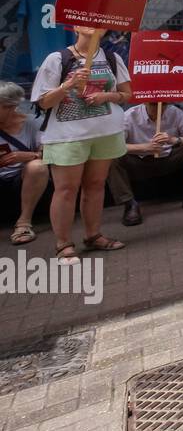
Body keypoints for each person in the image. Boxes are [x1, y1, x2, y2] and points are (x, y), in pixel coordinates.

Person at [30, 26, 131, 261]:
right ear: (75, 26)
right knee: (66, 190)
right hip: (68, 135)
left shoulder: (112, 58)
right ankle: (63, 244)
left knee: (96, 185)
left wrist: (107, 96)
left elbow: (127, 94)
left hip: (105, 132)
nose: (93, 25)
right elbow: (43, 102)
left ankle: (93, 235)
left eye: (99, 22)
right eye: (85, 20)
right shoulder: (57, 59)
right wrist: (67, 85)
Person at [108, 102, 183, 225]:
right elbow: (116, 145)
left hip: (169, 158)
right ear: (145, 103)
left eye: (163, 104)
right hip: (139, 162)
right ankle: (129, 204)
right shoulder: (129, 116)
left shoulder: (175, 112)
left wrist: (175, 140)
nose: (158, 108)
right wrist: (144, 148)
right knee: (111, 157)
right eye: (153, 105)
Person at [0, 81, 46, 246]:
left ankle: (24, 224)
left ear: (9, 107)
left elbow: (50, 152)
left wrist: (29, 155)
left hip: (23, 180)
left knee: (37, 166)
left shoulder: (33, 123)